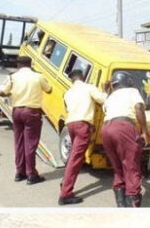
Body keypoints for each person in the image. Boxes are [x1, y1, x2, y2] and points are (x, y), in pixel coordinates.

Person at [0, 56, 51, 184]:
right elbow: (49, 89)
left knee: (19, 142)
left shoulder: (12, 77)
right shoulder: (38, 76)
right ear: (30, 64)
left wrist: (11, 94)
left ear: (18, 65)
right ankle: (31, 174)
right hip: (32, 112)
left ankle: (19, 172)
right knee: (30, 144)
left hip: (17, 111)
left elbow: (0, 92)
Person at [58, 65, 107, 205]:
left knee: (73, 155)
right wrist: (105, 90)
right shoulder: (89, 87)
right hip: (82, 126)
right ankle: (65, 194)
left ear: (72, 79)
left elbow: (67, 108)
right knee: (75, 159)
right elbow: (102, 99)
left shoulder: (68, 92)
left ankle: (64, 182)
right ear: (83, 77)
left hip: (71, 125)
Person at [101, 71, 149, 207]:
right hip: (124, 127)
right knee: (131, 166)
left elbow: (105, 109)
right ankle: (133, 205)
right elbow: (139, 107)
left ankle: (121, 206)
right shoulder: (132, 91)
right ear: (127, 82)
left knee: (118, 168)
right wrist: (144, 131)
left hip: (106, 129)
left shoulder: (110, 97)